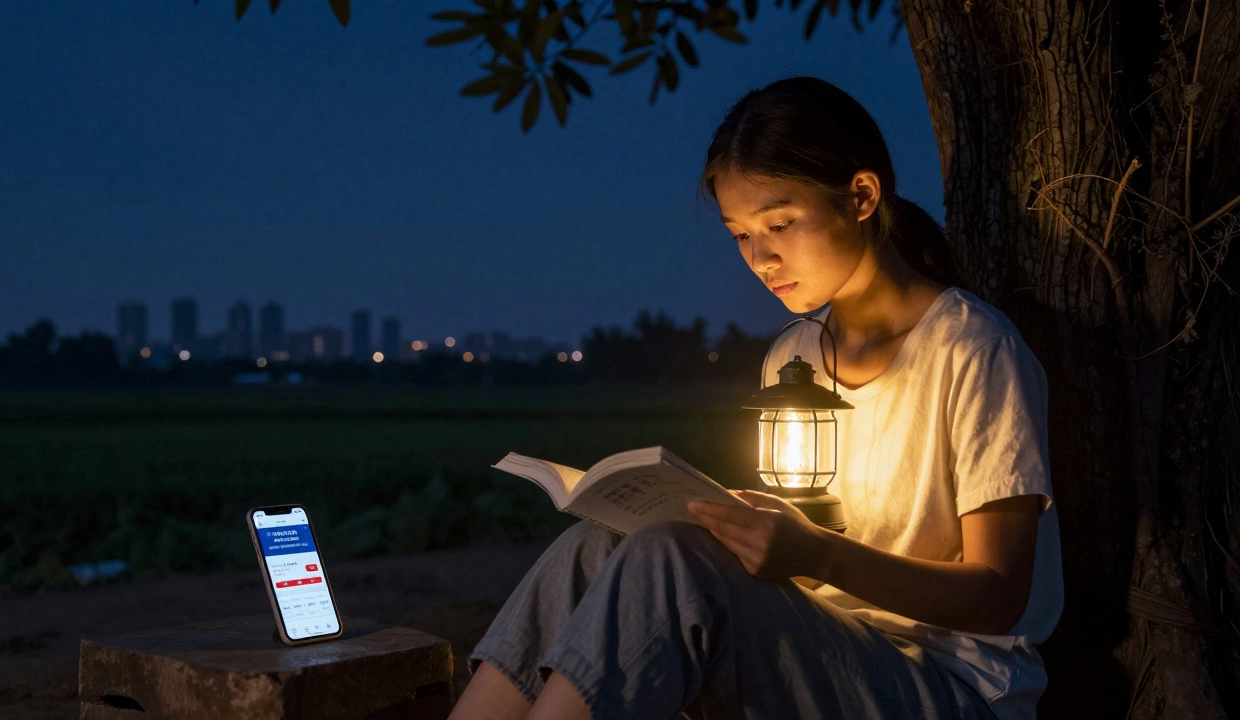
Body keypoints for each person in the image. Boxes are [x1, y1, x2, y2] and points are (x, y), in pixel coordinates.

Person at [448, 76, 1062, 720]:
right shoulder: (794, 355)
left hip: (945, 683)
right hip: (817, 640)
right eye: (740, 234)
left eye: (780, 223)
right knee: (593, 546)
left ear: (861, 196)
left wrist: (818, 551)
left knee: (671, 558)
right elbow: (796, 549)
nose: (761, 257)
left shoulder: (973, 350)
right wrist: (756, 533)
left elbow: (998, 595)